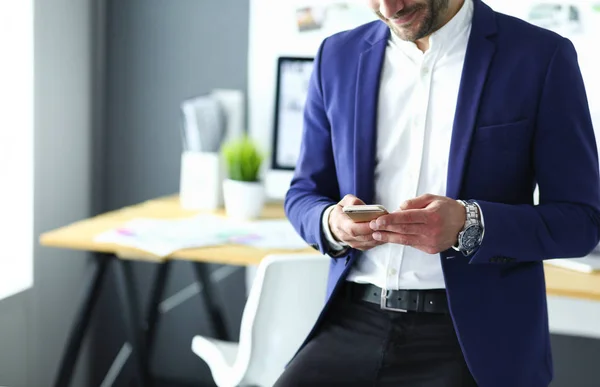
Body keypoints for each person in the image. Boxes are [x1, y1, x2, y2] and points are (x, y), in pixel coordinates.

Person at [277, 0, 600, 386]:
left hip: (474, 341)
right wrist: (331, 222)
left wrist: (470, 225)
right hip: (351, 320)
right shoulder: (337, 55)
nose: (388, 8)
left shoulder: (541, 56)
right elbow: (303, 193)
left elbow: (582, 221)